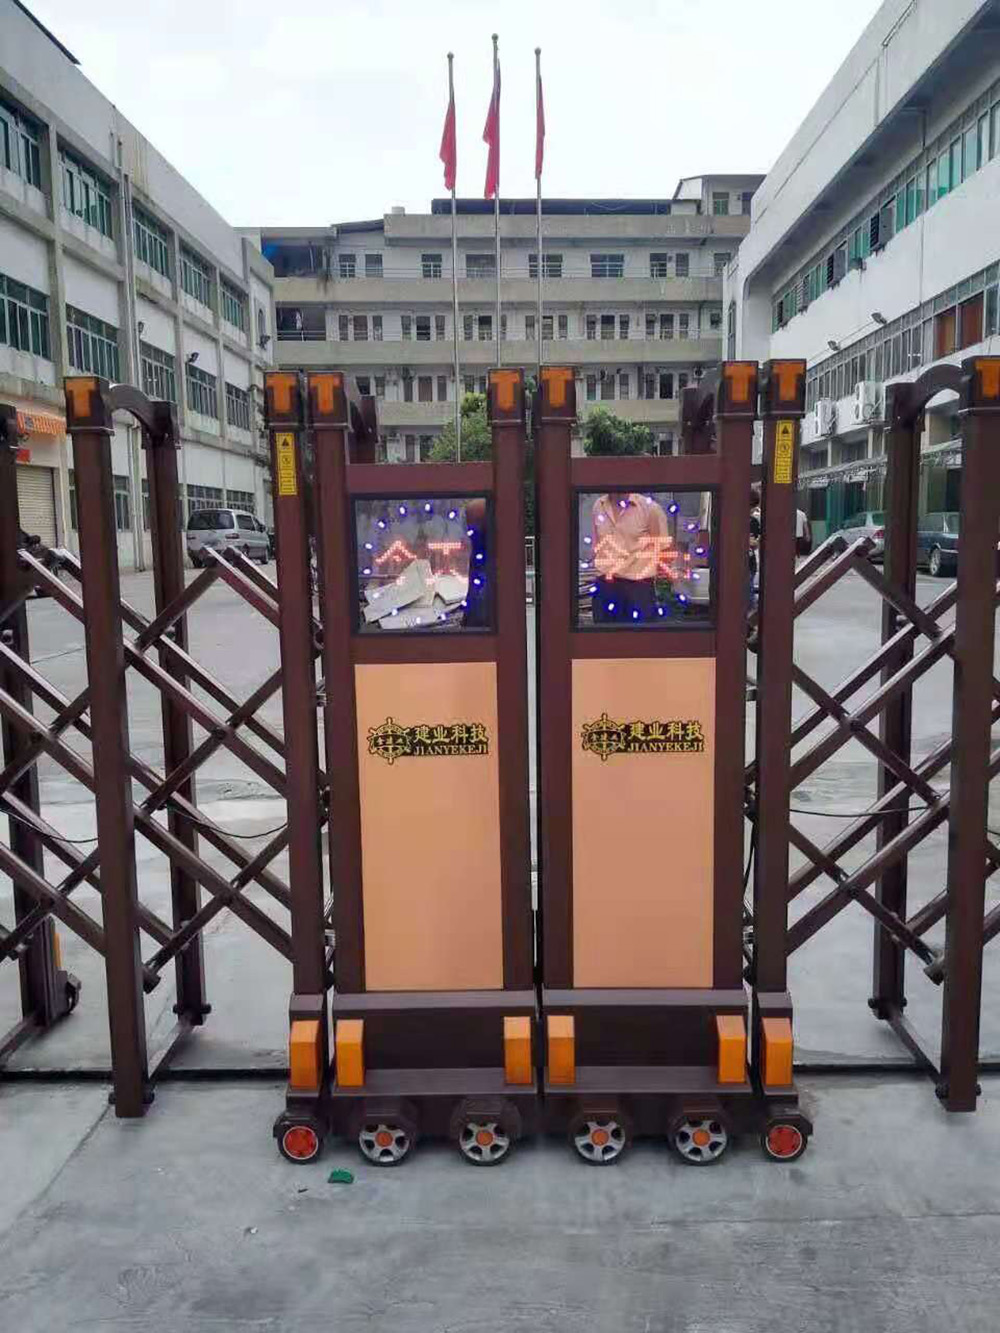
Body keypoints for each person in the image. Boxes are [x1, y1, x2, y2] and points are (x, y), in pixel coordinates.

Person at [590, 491, 671, 623]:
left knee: (639, 635)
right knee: (602, 635)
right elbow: (596, 544)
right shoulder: (598, 505)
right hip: (604, 587)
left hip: (638, 589)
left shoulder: (650, 509)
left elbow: (663, 549)